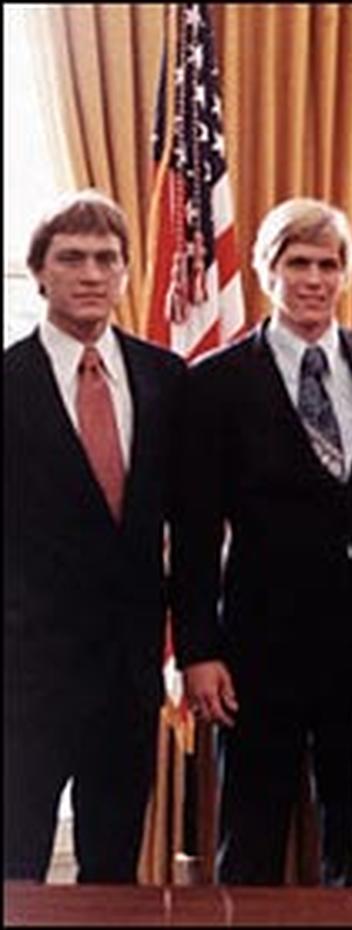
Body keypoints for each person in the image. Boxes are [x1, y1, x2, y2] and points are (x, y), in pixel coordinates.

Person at [172, 198, 352, 885]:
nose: (314, 279)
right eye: (297, 264)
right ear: (266, 272)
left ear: (345, 275)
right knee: (251, 836)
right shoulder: (214, 382)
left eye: (329, 264)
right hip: (258, 647)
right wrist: (198, 651)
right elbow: (194, 532)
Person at [4, 191, 186, 882]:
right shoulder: (8, 382)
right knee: (15, 859)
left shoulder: (165, 379)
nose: (90, 273)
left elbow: (191, 530)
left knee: (113, 868)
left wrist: (192, 647)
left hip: (129, 672)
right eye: (71, 258)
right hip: (24, 674)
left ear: (127, 273)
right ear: (40, 273)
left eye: (107, 259)